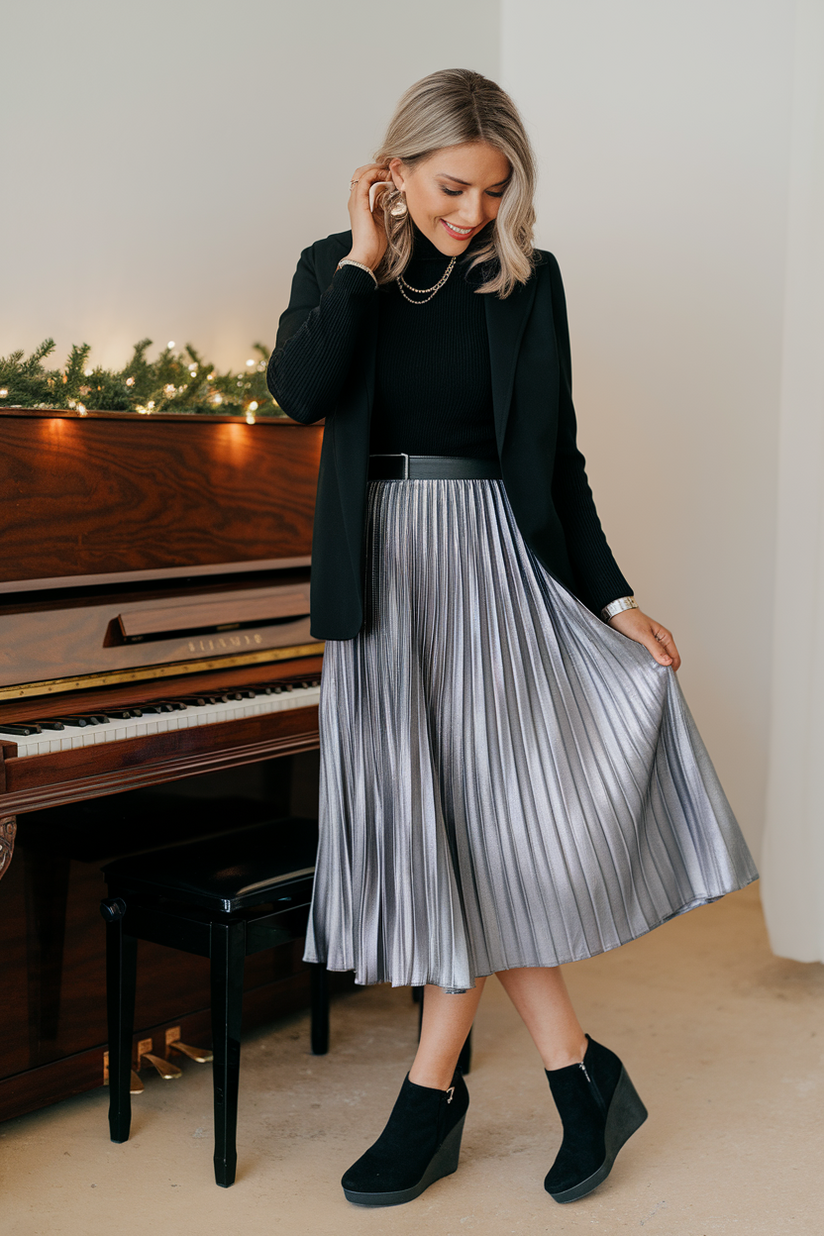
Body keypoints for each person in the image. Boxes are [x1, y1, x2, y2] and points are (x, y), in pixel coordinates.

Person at [267, 68, 757, 1209]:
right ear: (394, 170)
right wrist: (355, 252)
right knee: (448, 840)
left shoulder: (526, 284)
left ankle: (432, 1097)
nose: (472, 213)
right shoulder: (332, 271)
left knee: (478, 834)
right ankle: (575, 1079)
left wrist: (616, 600)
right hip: (382, 582)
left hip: (494, 572)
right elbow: (299, 392)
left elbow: (558, 462)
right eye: (450, 188)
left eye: (492, 191)